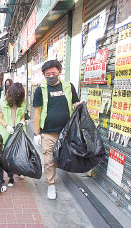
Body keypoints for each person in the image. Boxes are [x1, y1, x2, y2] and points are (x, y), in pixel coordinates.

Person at [33, 60, 82, 200]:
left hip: (66, 133)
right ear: (44, 75)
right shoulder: (40, 90)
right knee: (48, 159)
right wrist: (37, 133)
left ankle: (56, 173)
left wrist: (79, 107)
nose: (51, 76)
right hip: (48, 132)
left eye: (53, 73)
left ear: (59, 72)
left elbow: (74, 104)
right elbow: (37, 112)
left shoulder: (68, 87)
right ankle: (51, 184)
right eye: (47, 74)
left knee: (63, 157)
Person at [0, 82, 26, 187]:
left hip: (19, 131)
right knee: (7, 155)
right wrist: (7, 126)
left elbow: (23, 116)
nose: (17, 98)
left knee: (17, 154)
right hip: (6, 132)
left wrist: (22, 122)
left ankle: (18, 171)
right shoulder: (3, 103)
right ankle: (10, 177)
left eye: (19, 96)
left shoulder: (22, 103)